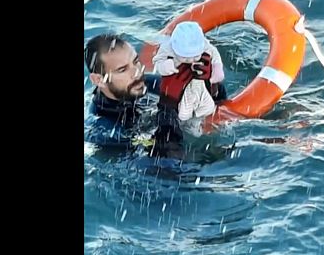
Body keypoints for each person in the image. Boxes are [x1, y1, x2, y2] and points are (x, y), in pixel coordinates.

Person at [84, 33, 226, 160]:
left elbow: (214, 103)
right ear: (98, 80)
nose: (137, 72)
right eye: (122, 70)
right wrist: (168, 104)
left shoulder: (147, 84)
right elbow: (169, 158)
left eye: (135, 61)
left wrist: (209, 84)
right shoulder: (103, 131)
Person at [152, 21, 226, 123]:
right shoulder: (168, 47)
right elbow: (157, 60)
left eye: (196, 56)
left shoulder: (204, 45)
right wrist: (166, 66)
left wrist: (217, 69)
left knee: (208, 106)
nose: (191, 61)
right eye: (185, 58)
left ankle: (209, 118)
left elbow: (215, 54)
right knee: (182, 114)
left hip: (200, 85)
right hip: (177, 90)